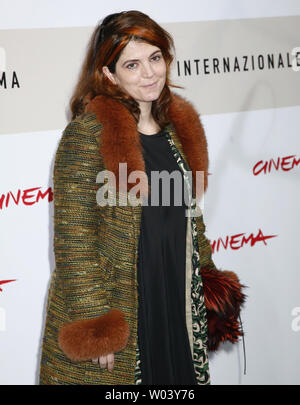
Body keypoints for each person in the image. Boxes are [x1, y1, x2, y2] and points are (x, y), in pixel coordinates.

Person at [39, 10, 245, 385]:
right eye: (132, 65)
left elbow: (189, 217)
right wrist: (96, 323)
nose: (149, 73)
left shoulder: (177, 129)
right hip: (123, 302)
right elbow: (74, 240)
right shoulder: (88, 135)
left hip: (173, 295)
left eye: (155, 58)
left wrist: (210, 281)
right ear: (108, 74)